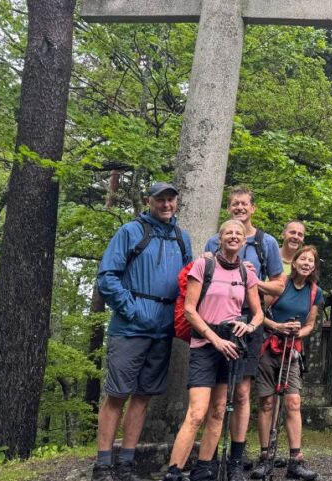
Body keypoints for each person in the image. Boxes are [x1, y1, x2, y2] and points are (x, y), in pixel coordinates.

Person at [94, 182, 193, 481]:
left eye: (170, 200)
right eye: (160, 200)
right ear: (149, 201)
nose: (166, 205)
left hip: (163, 329)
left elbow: (190, 281)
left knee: (143, 395)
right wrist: (132, 309)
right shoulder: (130, 232)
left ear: (176, 203)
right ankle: (103, 464)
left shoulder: (181, 238)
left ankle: (126, 462)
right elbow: (107, 276)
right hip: (130, 327)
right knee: (116, 394)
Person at [163, 220, 266, 481]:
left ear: (244, 241)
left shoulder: (247, 273)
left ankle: (204, 469)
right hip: (205, 346)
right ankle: (174, 471)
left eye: (238, 234)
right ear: (219, 239)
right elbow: (189, 309)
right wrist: (213, 338)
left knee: (219, 409)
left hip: (231, 347)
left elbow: (258, 313)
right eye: (228, 233)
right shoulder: (204, 265)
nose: (233, 236)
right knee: (197, 412)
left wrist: (249, 327)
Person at [203, 186, 286, 475]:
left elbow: (278, 285)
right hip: (218, 323)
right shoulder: (215, 240)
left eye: (244, 204)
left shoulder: (267, 243)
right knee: (216, 394)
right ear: (229, 208)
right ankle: (210, 459)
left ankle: (237, 460)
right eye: (234, 203)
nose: (239, 207)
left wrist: (252, 281)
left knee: (241, 392)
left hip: (251, 322)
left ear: (253, 208)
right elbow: (204, 280)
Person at [251, 245, 324, 481]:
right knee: (267, 403)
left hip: (292, 351)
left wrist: (298, 333)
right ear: (294, 262)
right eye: (302, 259)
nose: (306, 263)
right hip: (268, 347)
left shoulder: (315, 292)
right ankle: (265, 456)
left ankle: (295, 459)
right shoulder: (281, 283)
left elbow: (310, 325)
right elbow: (261, 313)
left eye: (310, 261)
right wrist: (279, 327)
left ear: (314, 266)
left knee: (293, 402)